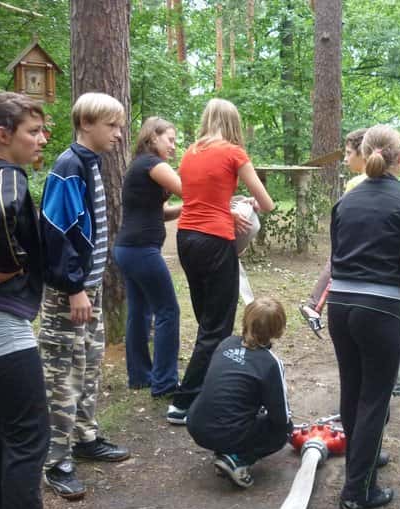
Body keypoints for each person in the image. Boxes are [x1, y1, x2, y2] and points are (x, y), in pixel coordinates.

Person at [328, 125, 400, 509]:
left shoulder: (346, 201)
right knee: (374, 398)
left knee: (352, 390)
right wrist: (396, 269)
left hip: (340, 304)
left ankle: (361, 463)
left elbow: (336, 253)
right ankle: (358, 490)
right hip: (380, 307)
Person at [39, 92, 130, 500]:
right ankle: (56, 461)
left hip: (87, 289)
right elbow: (56, 235)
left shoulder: (92, 162)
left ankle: (84, 438)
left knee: (89, 366)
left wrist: (87, 287)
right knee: (63, 375)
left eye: (119, 125)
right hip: (68, 294)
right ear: (86, 124)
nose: (119, 133)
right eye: (112, 126)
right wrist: (74, 287)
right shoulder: (68, 167)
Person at [166, 98, 274, 425]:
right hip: (215, 241)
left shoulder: (189, 152)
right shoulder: (233, 153)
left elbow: (198, 198)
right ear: (232, 123)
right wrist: (250, 202)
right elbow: (267, 203)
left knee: (207, 321)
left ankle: (205, 389)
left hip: (186, 238)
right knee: (217, 327)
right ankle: (184, 402)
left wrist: (229, 203)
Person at [0, 91, 49, 509]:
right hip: (5, 323)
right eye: (33, 131)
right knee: (29, 435)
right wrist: (15, 264)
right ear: (3, 135)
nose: (42, 139)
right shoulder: (8, 179)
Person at [186, 297, 292, 489]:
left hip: (196, 424)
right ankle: (238, 459)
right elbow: (281, 417)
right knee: (283, 430)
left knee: (235, 408)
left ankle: (224, 450)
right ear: (278, 329)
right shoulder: (270, 363)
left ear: (245, 320)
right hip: (227, 432)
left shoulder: (226, 343)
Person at [113, 117, 182, 397]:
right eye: (170, 139)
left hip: (128, 249)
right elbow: (189, 190)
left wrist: (185, 209)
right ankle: (165, 383)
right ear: (153, 137)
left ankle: (140, 376)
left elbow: (159, 213)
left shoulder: (140, 165)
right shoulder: (153, 164)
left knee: (140, 312)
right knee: (168, 311)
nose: (174, 146)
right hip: (141, 250)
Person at [298, 128, 367, 337]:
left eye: (349, 153)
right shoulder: (359, 182)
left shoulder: (357, 182)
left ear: (364, 153)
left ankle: (314, 305)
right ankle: (314, 306)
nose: (345, 159)